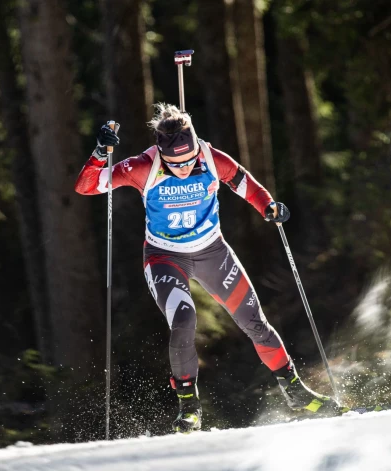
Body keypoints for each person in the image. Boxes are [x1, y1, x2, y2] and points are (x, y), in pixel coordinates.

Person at [74, 103, 337, 432]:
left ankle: (296, 392)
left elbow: (243, 182)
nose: (183, 168)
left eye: (187, 161)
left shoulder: (212, 158)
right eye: (174, 164)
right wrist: (101, 152)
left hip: (213, 252)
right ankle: (188, 406)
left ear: (196, 148)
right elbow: (85, 186)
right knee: (184, 319)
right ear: (160, 152)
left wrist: (268, 206)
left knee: (255, 322)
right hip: (165, 256)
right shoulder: (142, 166)